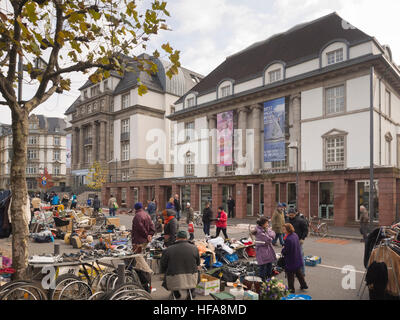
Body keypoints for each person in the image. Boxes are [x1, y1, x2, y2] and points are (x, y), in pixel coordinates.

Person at [160, 230, 200, 300]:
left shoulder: (168, 250)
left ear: (177, 238)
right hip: (191, 279)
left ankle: (176, 293)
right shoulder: (194, 248)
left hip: (173, 280)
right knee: (197, 272)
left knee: (167, 272)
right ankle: (191, 292)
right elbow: (198, 263)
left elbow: (163, 265)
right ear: (186, 238)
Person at [281, 223, 308, 294]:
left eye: (284, 229)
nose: (283, 230)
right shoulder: (295, 235)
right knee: (299, 273)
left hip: (291, 260)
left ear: (288, 230)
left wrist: (283, 249)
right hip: (297, 258)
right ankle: (304, 285)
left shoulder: (288, 239)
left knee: (290, 276)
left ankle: (291, 289)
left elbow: (286, 251)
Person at [254, 216, 276, 281]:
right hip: (262, 251)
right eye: (267, 223)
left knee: (269, 264)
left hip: (268, 250)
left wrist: (269, 235)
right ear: (262, 224)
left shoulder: (265, 229)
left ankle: (268, 279)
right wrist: (270, 236)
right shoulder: (259, 231)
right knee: (263, 266)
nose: (268, 224)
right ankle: (262, 281)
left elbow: (273, 234)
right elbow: (268, 240)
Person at [287, 208, 308, 275]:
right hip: (290, 241)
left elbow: (305, 230)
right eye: (290, 215)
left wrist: (302, 238)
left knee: (300, 257)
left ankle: (302, 272)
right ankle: (294, 272)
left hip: (298, 241)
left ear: (295, 214)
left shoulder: (301, 221)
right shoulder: (287, 221)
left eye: (292, 215)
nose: (291, 216)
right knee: (292, 257)